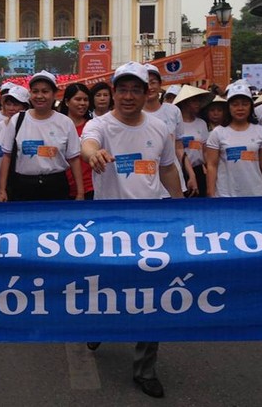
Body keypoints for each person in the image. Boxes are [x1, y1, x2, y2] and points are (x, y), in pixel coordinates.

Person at [81, 61, 183, 399]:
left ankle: (145, 369)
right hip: (109, 227)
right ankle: (98, 324)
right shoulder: (99, 125)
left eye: (135, 89)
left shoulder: (158, 128)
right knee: (106, 287)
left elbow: (167, 169)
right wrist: (94, 154)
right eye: (121, 89)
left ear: (146, 92)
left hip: (151, 226)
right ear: (112, 93)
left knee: (151, 296)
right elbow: (88, 146)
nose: (128, 96)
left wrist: (181, 207)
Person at [0, 70, 84, 202]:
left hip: (55, 186)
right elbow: (7, 156)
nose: (39, 96)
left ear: (54, 94)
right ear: (30, 94)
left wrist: (80, 192)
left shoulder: (65, 122)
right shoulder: (17, 120)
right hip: (23, 186)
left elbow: (74, 159)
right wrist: (2, 190)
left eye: (45, 91)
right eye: (35, 91)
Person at [204, 84, 262, 198]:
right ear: (228, 107)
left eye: (245, 104)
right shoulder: (217, 133)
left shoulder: (260, 131)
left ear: (251, 107)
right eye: (235, 104)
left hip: (254, 193)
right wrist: (211, 192)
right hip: (225, 194)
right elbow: (212, 165)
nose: (240, 108)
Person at [143, 64, 197, 197]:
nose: (150, 87)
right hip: (146, 182)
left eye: (153, 82)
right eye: (145, 83)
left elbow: (178, 148)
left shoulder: (173, 111)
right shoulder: (134, 114)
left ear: (160, 84)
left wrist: (191, 174)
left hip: (173, 180)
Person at [0, 86, 30, 202]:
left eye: (16, 105)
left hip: (24, 185)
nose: (11, 108)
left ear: (24, 107)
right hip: (0, 186)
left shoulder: (30, 128)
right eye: (8, 104)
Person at [174, 85, 213, 197]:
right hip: (180, 170)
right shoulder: (176, 123)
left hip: (198, 170)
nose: (198, 104)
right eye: (194, 101)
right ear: (185, 103)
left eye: (199, 101)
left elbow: (205, 150)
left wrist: (208, 169)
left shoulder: (201, 123)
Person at [60, 83, 95, 199]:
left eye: (86, 100)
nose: (82, 103)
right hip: (63, 187)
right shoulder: (57, 126)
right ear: (67, 102)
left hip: (90, 187)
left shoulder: (93, 126)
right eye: (78, 99)